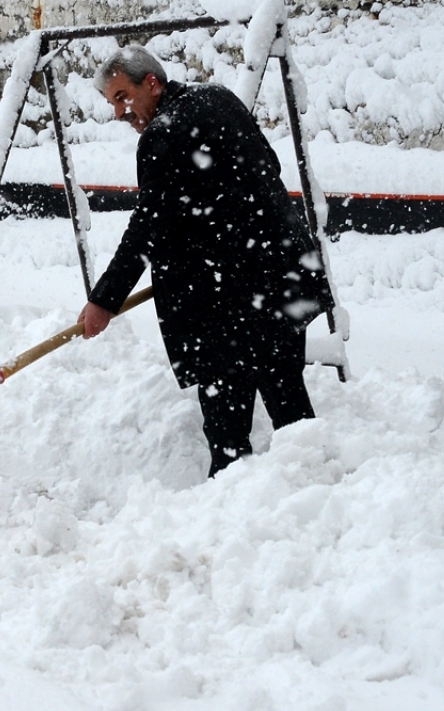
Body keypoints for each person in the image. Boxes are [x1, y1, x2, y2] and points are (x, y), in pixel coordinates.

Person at [78, 45, 333, 478]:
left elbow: (149, 225)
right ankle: (316, 489)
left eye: (123, 96)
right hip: (283, 275)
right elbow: (262, 169)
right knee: (289, 400)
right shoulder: (219, 98)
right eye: (112, 104)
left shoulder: (162, 133)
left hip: (229, 298)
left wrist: (105, 299)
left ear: (152, 83)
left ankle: (231, 513)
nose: (120, 113)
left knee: (227, 425)